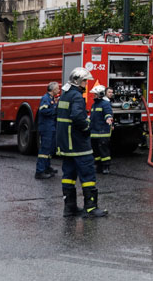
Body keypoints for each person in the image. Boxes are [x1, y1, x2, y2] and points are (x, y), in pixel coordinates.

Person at [57, 67, 107, 218]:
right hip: (79, 144)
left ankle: (70, 208)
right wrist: (86, 129)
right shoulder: (77, 97)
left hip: (66, 145)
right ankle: (90, 208)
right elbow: (78, 116)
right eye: (85, 80)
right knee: (88, 175)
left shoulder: (64, 95)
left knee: (68, 176)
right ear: (78, 81)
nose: (86, 83)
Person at [34, 82, 60, 179]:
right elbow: (43, 111)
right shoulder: (45, 98)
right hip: (46, 128)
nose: (59, 90)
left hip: (51, 127)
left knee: (50, 149)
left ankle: (47, 167)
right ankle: (39, 171)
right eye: (57, 88)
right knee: (45, 149)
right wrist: (55, 110)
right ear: (53, 90)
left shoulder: (52, 99)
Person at [89, 84, 114, 175]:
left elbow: (108, 113)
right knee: (96, 151)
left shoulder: (105, 104)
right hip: (94, 132)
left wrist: (108, 118)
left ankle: (106, 166)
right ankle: (99, 166)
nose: (93, 96)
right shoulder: (94, 105)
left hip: (103, 132)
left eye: (95, 94)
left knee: (104, 151)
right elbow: (92, 118)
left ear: (100, 94)